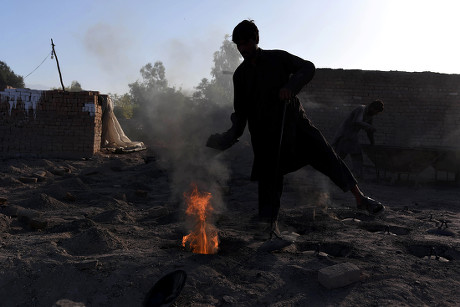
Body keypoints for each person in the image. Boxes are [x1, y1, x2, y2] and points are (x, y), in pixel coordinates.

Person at [206, 20, 385, 240]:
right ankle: (268, 225)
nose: (243, 49)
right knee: (269, 178)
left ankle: (361, 199)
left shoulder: (277, 58)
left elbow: (308, 67)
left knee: (327, 155)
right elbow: (241, 112)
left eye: (246, 43)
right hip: (264, 134)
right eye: (238, 45)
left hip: (295, 124)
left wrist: (290, 87)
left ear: (256, 40)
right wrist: (227, 137)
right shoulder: (240, 75)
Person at [332, 100, 384, 179]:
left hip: (352, 137)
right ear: (372, 107)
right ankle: (331, 172)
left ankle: (357, 176)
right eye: (376, 111)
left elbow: (369, 132)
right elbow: (357, 121)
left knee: (357, 156)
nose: (376, 114)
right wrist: (369, 127)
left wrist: (372, 143)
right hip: (344, 135)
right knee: (339, 156)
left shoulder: (370, 116)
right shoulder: (361, 109)